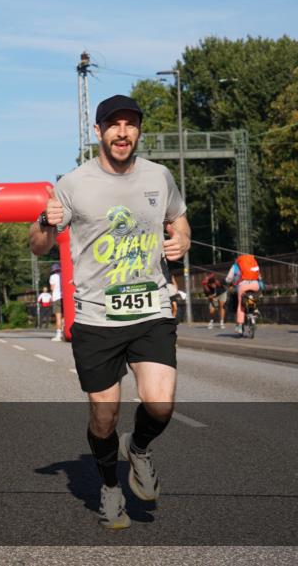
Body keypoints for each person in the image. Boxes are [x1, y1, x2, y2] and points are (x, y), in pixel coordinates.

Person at [29, 94, 190, 530]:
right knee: (104, 417)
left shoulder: (159, 176)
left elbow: (179, 219)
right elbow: (38, 244)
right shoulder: (73, 183)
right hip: (97, 318)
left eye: (130, 125)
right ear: (98, 131)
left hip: (151, 306)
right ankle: (110, 486)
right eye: (113, 125)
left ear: (138, 131)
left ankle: (137, 449)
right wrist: (46, 221)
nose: (123, 132)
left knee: (160, 404)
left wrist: (183, 240)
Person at [225, 253, 264, 334]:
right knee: (254, 297)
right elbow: (259, 276)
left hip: (243, 286)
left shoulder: (235, 266)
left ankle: (239, 325)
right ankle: (255, 310)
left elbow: (228, 279)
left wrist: (228, 281)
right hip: (255, 285)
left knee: (240, 305)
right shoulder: (253, 263)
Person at [49, 263, 64, 341]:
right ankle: (64, 332)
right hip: (64, 297)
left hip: (56, 297)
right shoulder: (63, 275)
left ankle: (58, 335)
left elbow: (52, 288)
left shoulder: (53, 277)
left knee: (58, 317)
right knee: (64, 317)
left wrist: (51, 296)